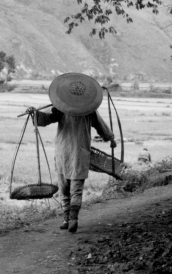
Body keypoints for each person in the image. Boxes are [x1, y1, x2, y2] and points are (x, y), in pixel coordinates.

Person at [27, 73, 116, 233]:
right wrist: (111, 139)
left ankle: (67, 218)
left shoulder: (62, 109)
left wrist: (35, 114)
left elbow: (45, 119)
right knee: (76, 189)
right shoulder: (89, 111)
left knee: (64, 189)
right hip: (80, 155)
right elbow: (102, 128)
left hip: (63, 154)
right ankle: (73, 218)